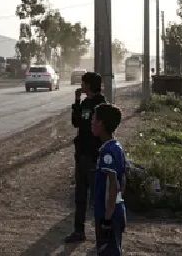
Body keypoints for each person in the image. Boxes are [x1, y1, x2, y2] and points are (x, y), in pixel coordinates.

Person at [65, 72, 107, 243]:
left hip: (93, 156)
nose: (81, 86)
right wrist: (76, 101)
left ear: (89, 85)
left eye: (83, 83)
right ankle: (79, 231)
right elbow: (76, 122)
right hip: (82, 154)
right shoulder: (85, 103)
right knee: (80, 197)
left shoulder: (101, 105)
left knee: (97, 198)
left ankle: (102, 235)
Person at [91, 103, 127, 256]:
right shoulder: (116, 146)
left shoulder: (107, 152)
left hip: (108, 213)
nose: (92, 123)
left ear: (101, 124)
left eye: (94, 119)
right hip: (116, 209)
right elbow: (122, 180)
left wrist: (107, 219)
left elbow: (113, 185)